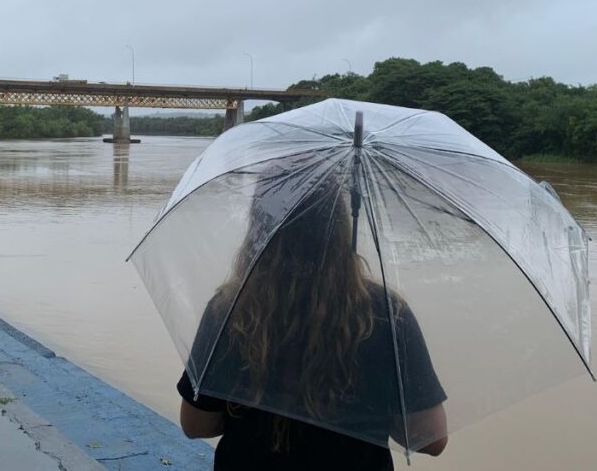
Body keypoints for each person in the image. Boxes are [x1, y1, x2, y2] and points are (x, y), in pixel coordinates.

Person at [175, 170, 448, 470]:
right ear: (340, 227)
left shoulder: (231, 310)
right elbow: (430, 439)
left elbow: (196, 424)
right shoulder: (385, 314)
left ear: (260, 229)